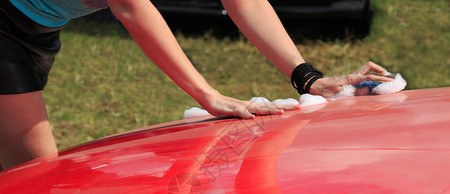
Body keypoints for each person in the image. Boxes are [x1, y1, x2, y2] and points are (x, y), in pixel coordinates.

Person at [0, 0, 392, 171]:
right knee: (33, 174)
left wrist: (308, 78)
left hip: (37, 32)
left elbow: (246, 2)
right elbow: (130, 8)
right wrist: (208, 96)